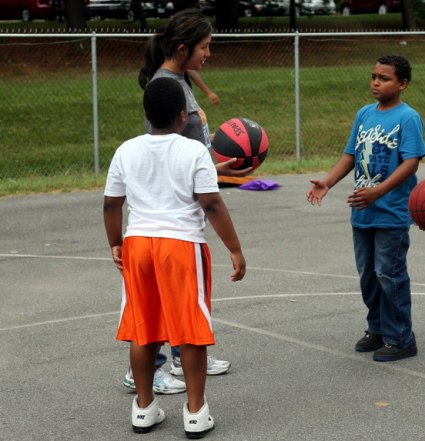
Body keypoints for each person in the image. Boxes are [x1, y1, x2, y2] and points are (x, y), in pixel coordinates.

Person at [103, 77, 246, 436]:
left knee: (143, 329)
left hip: (137, 243)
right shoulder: (194, 151)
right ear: (183, 115)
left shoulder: (126, 150)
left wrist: (115, 242)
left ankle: (144, 408)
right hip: (180, 246)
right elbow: (211, 203)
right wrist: (234, 247)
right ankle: (195, 413)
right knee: (190, 331)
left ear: (147, 114)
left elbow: (111, 203)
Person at [123, 8, 244, 395]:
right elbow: (161, 151)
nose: (208, 54)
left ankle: (180, 355)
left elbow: (190, 145)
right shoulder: (164, 85)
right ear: (182, 48)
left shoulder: (180, 79)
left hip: (185, 203)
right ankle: (150, 367)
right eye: (204, 47)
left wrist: (218, 165)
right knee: (160, 294)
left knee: (178, 290)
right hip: (168, 215)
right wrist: (209, 180)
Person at [306, 54, 425, 362]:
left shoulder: (407, 117)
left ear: (402, 84)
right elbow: (350, 154)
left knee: (390, 273)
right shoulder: (364, 114)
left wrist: (378, 192)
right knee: (368, 276)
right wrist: (328, 182)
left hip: (391, 211)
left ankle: (401, 336)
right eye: (373, 76)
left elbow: (411, 161)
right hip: (363, 210)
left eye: (384, 78)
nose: (376, 82)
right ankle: (377, 328)